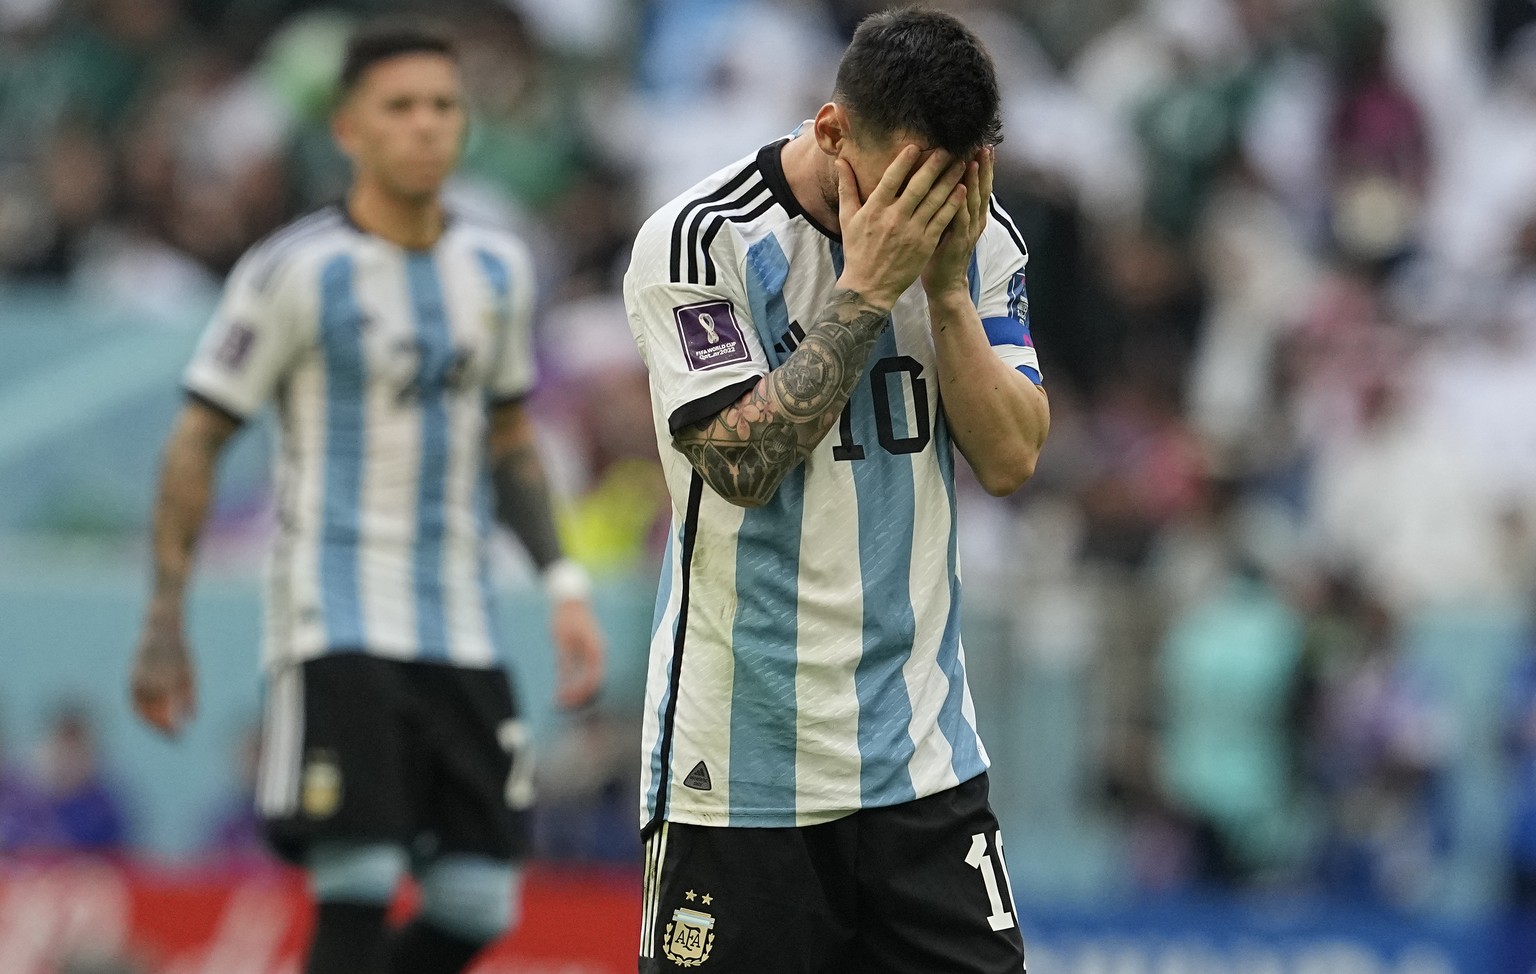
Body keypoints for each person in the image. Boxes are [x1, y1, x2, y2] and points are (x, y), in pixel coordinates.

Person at [127, 24, 605, 974]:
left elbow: (509, 440)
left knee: (478, 902)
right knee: (359, 875)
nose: (426, 126)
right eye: (400, 107)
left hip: (462, 621)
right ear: (347, 129)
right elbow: (198, 439)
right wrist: (165, 614)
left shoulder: (499, 270)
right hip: (333, 613)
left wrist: (561, 584)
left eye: (443, 106)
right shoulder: (293, 270)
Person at [622, 9, 1049, 973]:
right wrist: (864, 294)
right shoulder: (701, 241)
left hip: (923, 766)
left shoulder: (980, 236)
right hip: (737, 775)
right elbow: (741, 467)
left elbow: (1014, 458)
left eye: (951, 182)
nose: (927, 211)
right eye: (905, 184)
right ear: (830, 131)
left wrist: (942, 294)